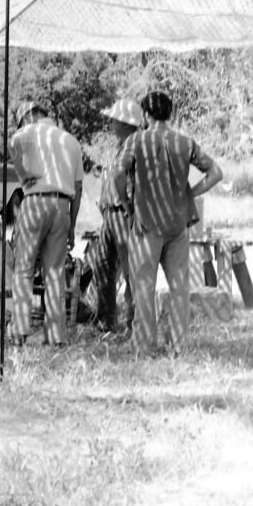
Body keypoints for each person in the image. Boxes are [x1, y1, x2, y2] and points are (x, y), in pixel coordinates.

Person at [121, 88, 223, 355]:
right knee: (179, 288)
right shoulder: (184, 142)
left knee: (144, 286)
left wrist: (127, 205)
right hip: (177, 224)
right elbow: (216, 173)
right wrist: (192, 192)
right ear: (170, 114)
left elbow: (118, 175)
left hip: (147, 224)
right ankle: (178, 346)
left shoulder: (136, 141)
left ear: (145, 114)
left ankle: (145, 346)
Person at [7, 99, 83, 346]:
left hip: (35, 200)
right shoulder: (70, 140)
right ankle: (55, 335)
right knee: (55, 272)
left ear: (27, 117)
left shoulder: (24, 133)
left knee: (24, 267)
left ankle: (19, 330)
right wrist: (71, 223)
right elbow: (79, 188)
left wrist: (24, 174)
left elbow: (13, 149)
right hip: (63, 205)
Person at [92, 96, 145, 336]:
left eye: (114, 119)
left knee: (130, 270)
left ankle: (134, 323)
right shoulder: (120, 146)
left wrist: (129, 207)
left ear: (124, 122)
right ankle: (106, 320)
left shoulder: (136, 145)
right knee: (103, 265)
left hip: (123, 214)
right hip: (110, 214)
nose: (111, 123)